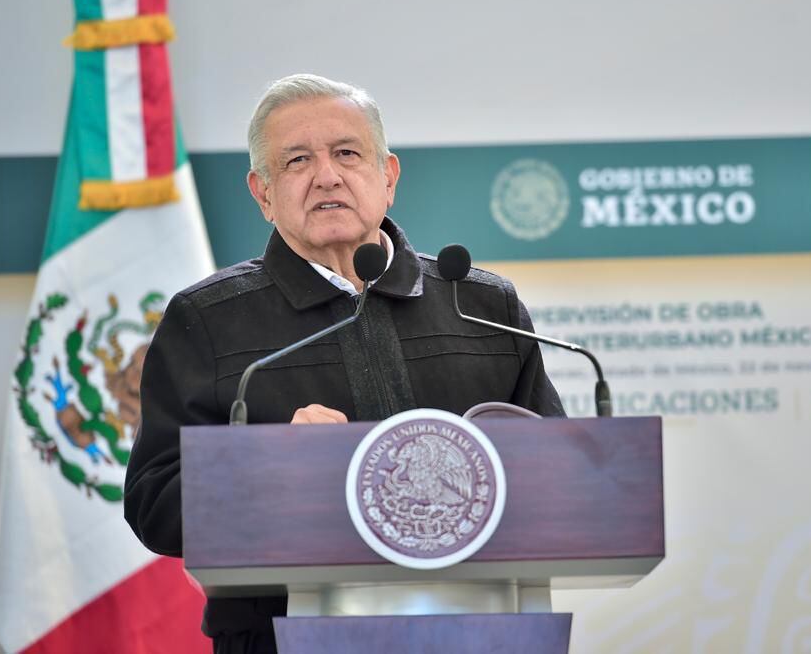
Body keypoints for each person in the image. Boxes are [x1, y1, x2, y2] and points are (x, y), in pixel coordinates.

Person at [123, 74, 564, 654]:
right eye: (297, 160)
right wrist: (277, 464)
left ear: (389, 177)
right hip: (280, 636)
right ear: (263, 193)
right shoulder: (206, 320)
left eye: (347, 153)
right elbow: (154, 502)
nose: (326, 175)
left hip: (482, 629)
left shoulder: (482, 305)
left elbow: (561, 477)